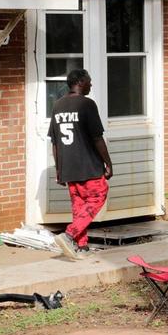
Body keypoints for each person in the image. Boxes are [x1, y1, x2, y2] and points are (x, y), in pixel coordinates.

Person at [48, 69, 113, 260]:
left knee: (79, 206)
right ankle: (69, 235)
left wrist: (59, 169)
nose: (91, 85)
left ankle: (81, 246)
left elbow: (55, 142)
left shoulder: (58, 105)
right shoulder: (87, 104)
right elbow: (97, 137)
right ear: (80, 82)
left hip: (69, 167)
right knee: (98, 196)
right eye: (89, 81)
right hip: (88, 166)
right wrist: (108, 163)